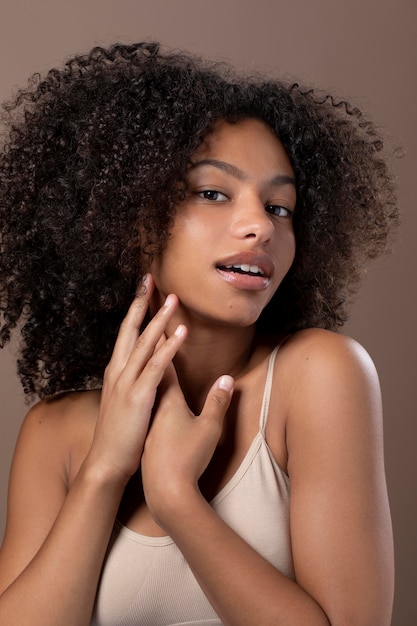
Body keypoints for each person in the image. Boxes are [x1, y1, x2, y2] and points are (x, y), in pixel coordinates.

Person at [0, 42, 398, 625]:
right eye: (213, 193)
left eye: (280, 207)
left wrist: (176, 498)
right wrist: (105, 469)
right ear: (126, 220)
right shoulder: (54, 432)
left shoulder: (319, 376)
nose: (260, 225)